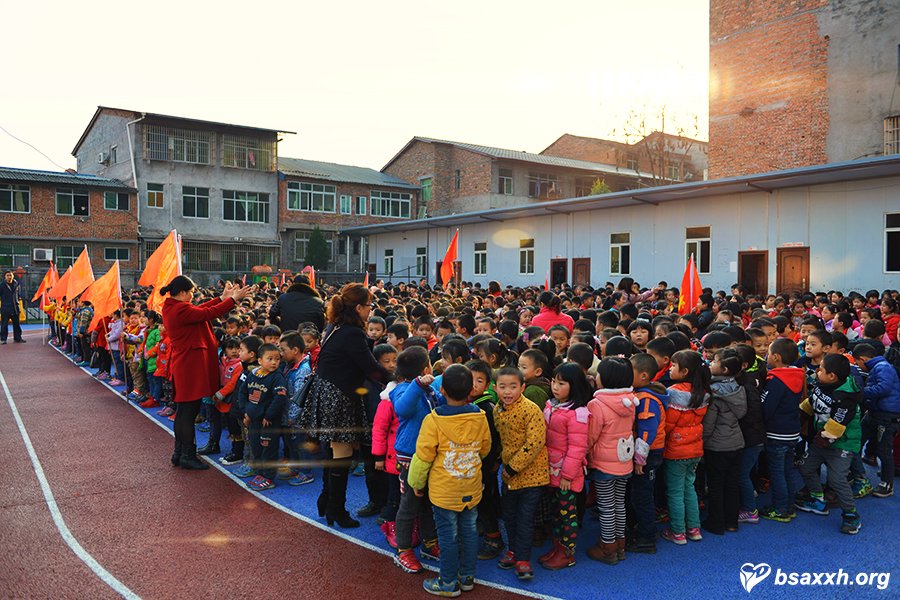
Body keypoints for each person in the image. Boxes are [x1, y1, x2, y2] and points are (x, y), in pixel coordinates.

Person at [300, 283, 391, 527]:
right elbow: (371, 368)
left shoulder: (335, 326)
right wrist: (396, 382)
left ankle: (327, 500)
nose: (371, 310)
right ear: (359, 307)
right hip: (338, 397)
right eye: (370, 306)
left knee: (334, 451)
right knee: (342, 454)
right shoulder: (352, 332)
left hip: (328, 392)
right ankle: (337, 510)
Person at [408, 364, 491, 597]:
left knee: (447, 536)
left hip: (444, 490)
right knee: (469, 531)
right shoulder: (480, 416)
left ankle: (447, 583)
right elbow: (485, 448)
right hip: (471, 485)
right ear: (471, 391)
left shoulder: (433, 420)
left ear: (442, 390)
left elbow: (423, 457)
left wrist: (416, 483)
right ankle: (467, 577)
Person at [161, 275, 252, 470]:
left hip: (186, 363)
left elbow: (201, 310)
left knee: (184, 411)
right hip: (189, 365)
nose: (193, 296)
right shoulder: (180, 309)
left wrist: (222, 298)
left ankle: (180, 452)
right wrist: (233, 300)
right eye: (192, 293)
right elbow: (208, 313)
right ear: (183, 292)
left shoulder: (175, 308)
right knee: (187, 411)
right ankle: (187, 454)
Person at [795, 354, 862, 534]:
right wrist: (801, 414)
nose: (817, 371)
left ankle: (850, 514)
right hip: (821, 438)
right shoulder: (823, 384)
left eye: (821, 369)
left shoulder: (844, 397)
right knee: (806, 467)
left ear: (832, 376)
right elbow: (813, 401)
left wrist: (823, 438)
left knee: (836, 479)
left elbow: (838, 425)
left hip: (841, 443)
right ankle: (818, 499)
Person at [494, 366, 549, 580]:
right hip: (509, 476)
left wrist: (512, 467)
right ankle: (513, 550)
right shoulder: (497, 409)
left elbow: (535, 442)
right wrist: (500, 460)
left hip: (530, 475)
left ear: (522, 387)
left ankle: (523, 559)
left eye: (513, 387)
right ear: (496, 388)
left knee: (525, 519)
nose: (508, 392)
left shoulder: (531, 409)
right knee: (509, 516)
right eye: (502, 387)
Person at [586, 357, 638, 565]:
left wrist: (585, 454)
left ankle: (607, 548)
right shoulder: (630, 401)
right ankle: (620, 545)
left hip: (604, 464)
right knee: (619, 505)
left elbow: (591, 436)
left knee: (606, 507)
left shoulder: (597, 404)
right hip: (624, 461)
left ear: (604, 379)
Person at [540, 363, 591, 570]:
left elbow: (578, 448)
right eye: (553, 381)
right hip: (551, 469)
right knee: (556, 512)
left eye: (561, 383)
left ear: (574, 386)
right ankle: (557, 547)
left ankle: (567, 553)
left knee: (567, 514)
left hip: (566, 475)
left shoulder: (578, 413)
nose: (555, 386)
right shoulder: (551, 405)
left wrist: (567, 476)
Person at [661, 350, 710, 545]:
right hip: (695, 448)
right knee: (689, 488)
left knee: (674, 491)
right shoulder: (703, 393)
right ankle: (694, 528)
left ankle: (678, 532)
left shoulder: (675, 393)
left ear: (685, 371)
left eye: (673, 366)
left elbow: (669, 424)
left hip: (676, 449)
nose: (670, 368)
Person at [701, 348, 747, 535]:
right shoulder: (738, 388)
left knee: (716, 485)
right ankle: (732, 521)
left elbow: (709, 424)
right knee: (732, 484)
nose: (710, 363)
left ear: (725, 369)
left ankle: (716, 522)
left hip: (717, 446)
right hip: (736, 442)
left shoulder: (715, 393)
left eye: (714, 361)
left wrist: (702, 441)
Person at [627, 353, 669, 553]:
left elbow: (646, 432)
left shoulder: (646, 400)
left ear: (643, 376)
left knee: (642, 495)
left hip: (648, 454)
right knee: (639, 493)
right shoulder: (640, 394)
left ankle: (647, 537)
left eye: (630, 371)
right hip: (645, 453)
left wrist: (640, 459)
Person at [759, 338, 804, 522]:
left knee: (777, 472)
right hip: (792, 431)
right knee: (787, 470)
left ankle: (780, 508)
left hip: (777, 432)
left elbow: (766, 408)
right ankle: (789, 505)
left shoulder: (776, 381)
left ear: (776, 357)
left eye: (768, 353)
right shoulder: (797, 375)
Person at [848, 342, 900, 498]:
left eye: (857, 363)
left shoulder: (883, 367)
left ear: (862, 359)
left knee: (884, 450)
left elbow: (883, 388)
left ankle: (887, 484)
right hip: (874, 412)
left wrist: (862, 392)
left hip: (886, 415)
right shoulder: (878, 367)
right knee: (858, 439)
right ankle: (855, 472)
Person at [240, 343, 288, 491]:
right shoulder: (252, 374)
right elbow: (242, 394)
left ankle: (268, 477)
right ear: (260, 360)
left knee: (269, 449)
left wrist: (269, 415)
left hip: (268, 423)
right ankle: (260, 473)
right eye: (270, 359)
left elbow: (279, 398)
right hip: (253, 420)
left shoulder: (277, 377)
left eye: (277, 359)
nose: (274, 362)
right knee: (256, 448)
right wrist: (245, 412)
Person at [0, 270, 25, 344]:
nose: (9, 277)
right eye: (7, 275)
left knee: (17, 324)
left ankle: (17, 338)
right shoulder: (2, 285)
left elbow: (18, 295)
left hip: (15, 308)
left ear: (13, 276)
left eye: (10, 275)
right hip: (5, 308)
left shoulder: (17, 284)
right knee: (4, 325)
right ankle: (3, 339)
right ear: (5, 277)